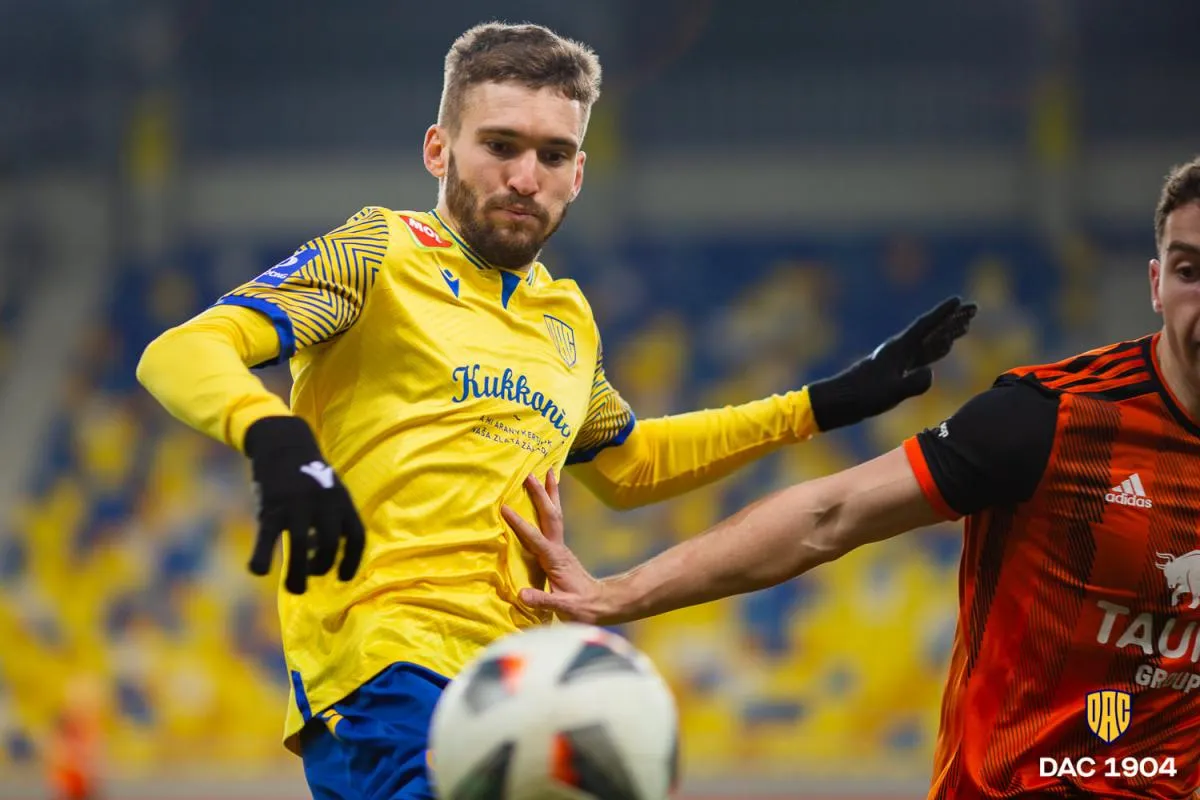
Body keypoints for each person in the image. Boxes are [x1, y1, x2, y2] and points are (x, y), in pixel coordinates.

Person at [136, 21, 974, 800]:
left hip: (518, 683)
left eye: (552, 153)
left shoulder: (564, 319)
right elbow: (181, 350)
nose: (524, 177)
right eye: (499, 145)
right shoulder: (379, 253)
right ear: (439, 149)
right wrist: (275, 436)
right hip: (386, 670)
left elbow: (627, 464)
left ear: (578, 173)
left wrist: (821, 405)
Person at [505, 157, 1200, 800]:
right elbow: (827, 514)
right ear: (1155, 284)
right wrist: (616, 594)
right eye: (1190, 270)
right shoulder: (1053, 418)